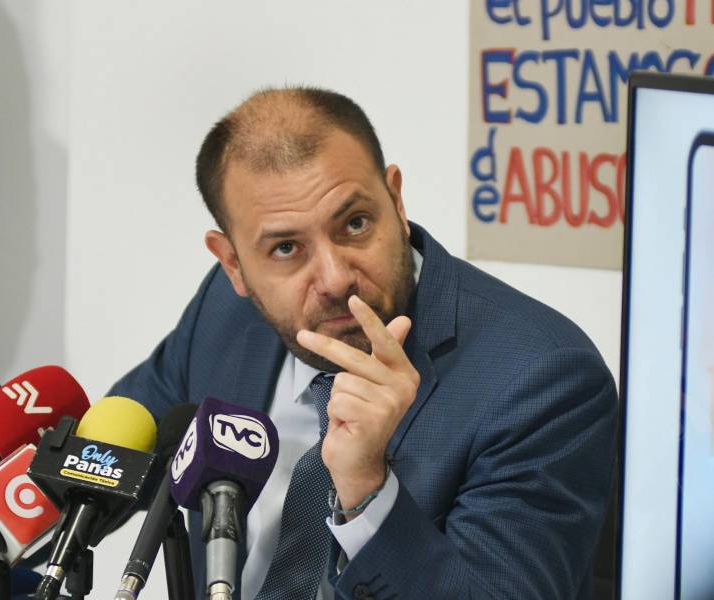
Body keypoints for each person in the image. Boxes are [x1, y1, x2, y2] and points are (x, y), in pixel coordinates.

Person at [110, 87, 618, 600]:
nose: (334, 279)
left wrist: (367, 494)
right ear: (234, 264)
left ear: (395, 200)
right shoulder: (227, 311)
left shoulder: (543, 379)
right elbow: (110, 455)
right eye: (287, 248)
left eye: (354, 223)